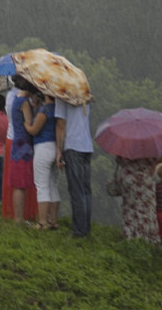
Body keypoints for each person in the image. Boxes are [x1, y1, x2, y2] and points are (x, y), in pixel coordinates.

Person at [55, 98, 94, 238]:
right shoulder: (85, 97)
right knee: (85, 191)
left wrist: (59, 150)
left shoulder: (63, 97)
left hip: (72, 145)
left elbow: (61, 124)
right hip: (86, 146)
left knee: (76, 191)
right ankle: (86, 228)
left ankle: (79, 231)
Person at [1, 78, 38, 222]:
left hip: (16, 141)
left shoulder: (13, 98)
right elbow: (29, 124)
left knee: (17, 181)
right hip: (24, 145)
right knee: (21, 182)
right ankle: (20, 217)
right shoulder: (24, 102)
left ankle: (17, 216)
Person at [109, 154, 162, 243]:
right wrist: (155, 164)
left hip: (129, 181)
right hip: (146, 181)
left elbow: (118, 160)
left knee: (130, 209)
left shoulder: (125, 142)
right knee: (147, 210)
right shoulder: (150, 145)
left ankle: (129, 237)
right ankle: (147, 239)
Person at [24, 91, 58, 229]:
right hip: (55, 147)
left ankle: (42, 222)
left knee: (41, 185)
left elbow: (34, 130)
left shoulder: (45, 110)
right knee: (53, 185)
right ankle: (53, 220)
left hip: (43, 147)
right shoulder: (58, 109)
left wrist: (26, 124)